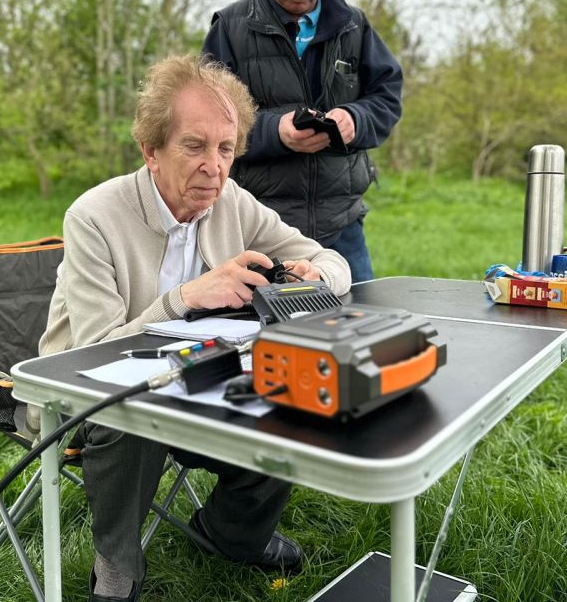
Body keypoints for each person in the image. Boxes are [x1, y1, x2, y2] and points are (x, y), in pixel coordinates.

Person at [36, 54, 351, 602]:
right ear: (151, 150)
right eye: (194, 146)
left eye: (226, 148)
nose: (214, 167)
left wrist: (313, 274)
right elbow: (91, 355)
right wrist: (184, 299)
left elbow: (332, 260)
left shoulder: (233, 203)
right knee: (131, 411)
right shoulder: (93, 216)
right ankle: (117, 565)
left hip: (200, 377)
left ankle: (234, 532)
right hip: (83, 397)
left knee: (290, 382)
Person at [202, 0, 403, 283]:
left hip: (342, 230)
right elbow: (208, 123)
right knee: (259, 324)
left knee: (359, 320)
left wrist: (355, 120)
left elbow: (387, 98)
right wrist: (275, 132)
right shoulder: (228, 28)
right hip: (259, 230)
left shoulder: (354, 27)